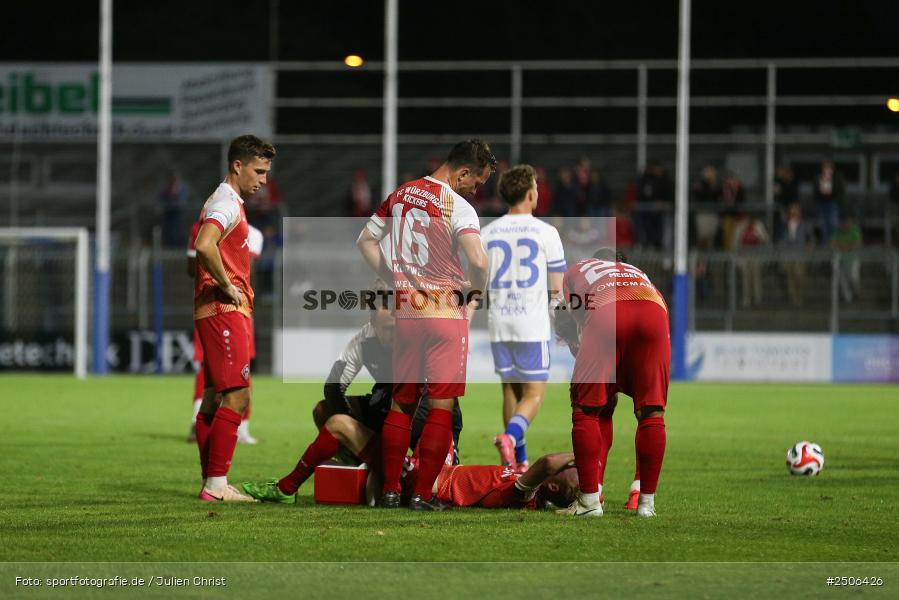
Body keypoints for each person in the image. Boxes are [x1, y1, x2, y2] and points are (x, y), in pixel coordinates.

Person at [356, 139, 494, 511]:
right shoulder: (458, 206)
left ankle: (388, 491)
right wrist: (475, 295)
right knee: (440, 408)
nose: (475, 190)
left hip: (408, 314)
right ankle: (421, 493)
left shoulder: (400, 194)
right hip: (444, 314)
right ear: (463, 172)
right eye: (477, 182)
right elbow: (479, 262)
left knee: (402, 405)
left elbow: (365, 240)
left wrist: (394, 275)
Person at [240, 298, 463, 504]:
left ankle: (287, 488)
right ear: (372, 322)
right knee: (325, 410)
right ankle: (361, 462)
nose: (395, 335)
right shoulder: (366, 340)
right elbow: (333, 387)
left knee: (344, 423)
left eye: (398, 328)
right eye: (388, 329)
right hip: (398, 430)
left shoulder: (419, 344)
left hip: (425, 458)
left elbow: (438, 413)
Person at [554, 248, 670, 517]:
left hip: (606, 316)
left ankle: (590, 501)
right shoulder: (639, 274)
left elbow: (570, 320)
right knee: (652, 412)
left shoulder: (577, 270)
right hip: (654, 312)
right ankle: (645, 503)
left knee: (587, 410)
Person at [192, 134, 276, 502]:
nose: (263, 179)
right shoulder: (226, 203)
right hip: (225, 311)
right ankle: (216, 484)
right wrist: (227, 285)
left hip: (217, 311)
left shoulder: (228, 200)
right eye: (258, 171)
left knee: (212, 397)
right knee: (238, 396)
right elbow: (203, 244)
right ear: (237, 166)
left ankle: (212, 481)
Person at [481, 164, 566, 473]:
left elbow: (477, 282)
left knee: (510, 391)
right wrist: (561, 324)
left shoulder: (487, 233)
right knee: (533, 394)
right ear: (531, 194)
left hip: (499, 323)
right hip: (530, 324)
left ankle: (520, 461)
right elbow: (556, 289)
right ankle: (509, 437)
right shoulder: (547, 233)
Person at [186, 219, 264, 444]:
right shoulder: (252, 233)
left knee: (209, 365)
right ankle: (239, 428)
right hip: (232, 306)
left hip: (211, 303)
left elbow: (191, 269)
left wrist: (212, 264)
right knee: (239, 364)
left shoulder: (199, 227)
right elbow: (248, 276)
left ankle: (200, 421)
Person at [402, 452, 579, 510]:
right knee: (444, 420)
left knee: (384, 441)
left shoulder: (526, 495)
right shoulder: (535, 491)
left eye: (566, 469)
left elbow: (547, 463)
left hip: (431, 483)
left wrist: (579, 452)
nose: (564, 466)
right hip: (445, 467)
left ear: (554, 486)